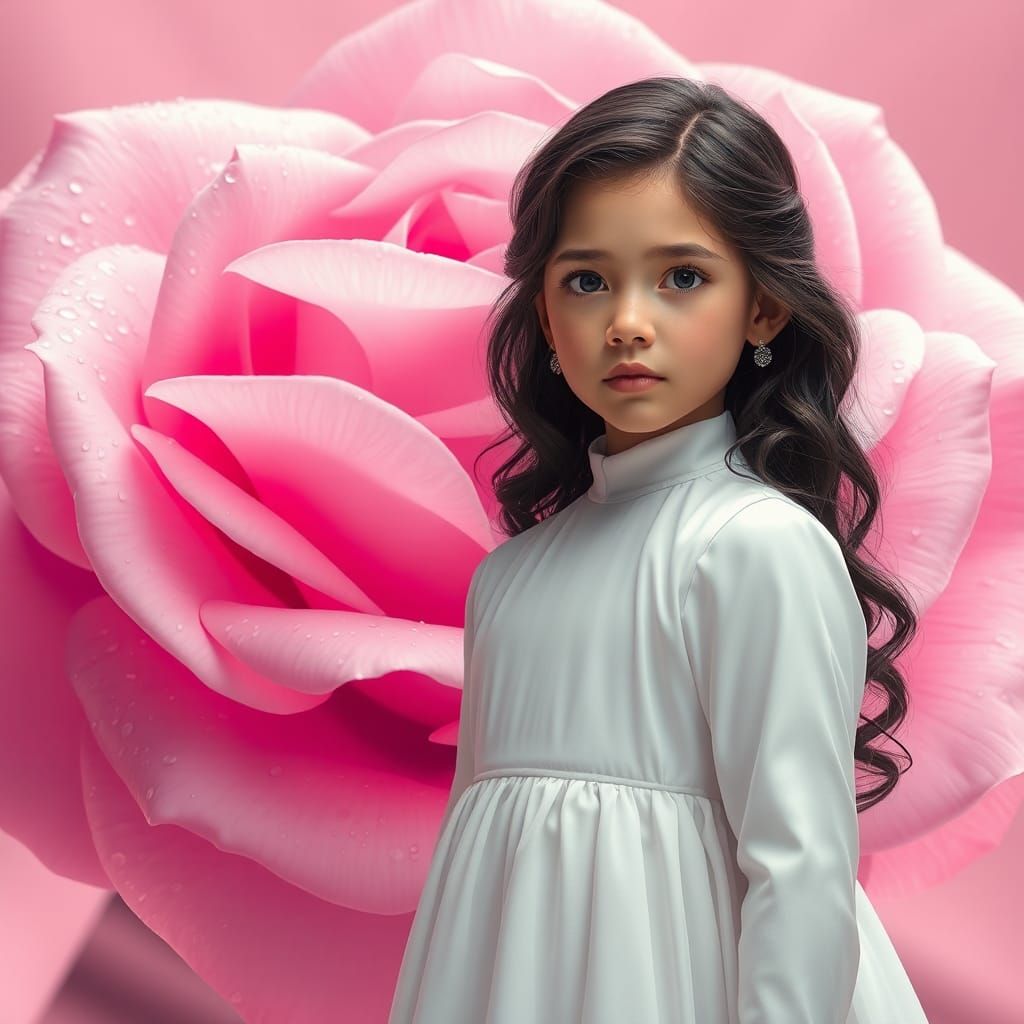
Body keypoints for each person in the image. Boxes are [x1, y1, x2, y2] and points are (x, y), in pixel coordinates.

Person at [388, 76, 928, 1023]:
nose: (628, 320)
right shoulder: (509, 581)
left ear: (763, 310)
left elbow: (801, 871)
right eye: (587, 280)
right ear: (547, 318)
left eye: (682, 277)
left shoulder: (753, 548)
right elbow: (472, 884)